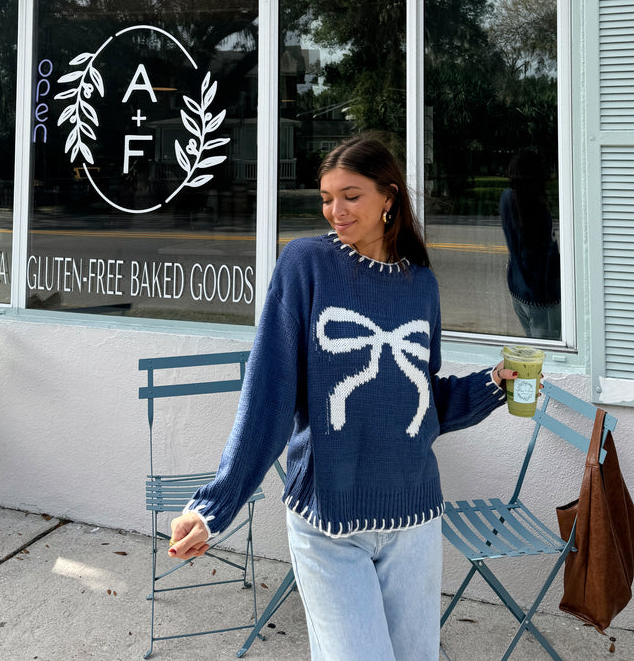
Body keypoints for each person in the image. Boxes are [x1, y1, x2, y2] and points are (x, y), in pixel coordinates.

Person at [169, 135, 521, 661]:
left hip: (414, 516)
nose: (336, 210)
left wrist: (492, 385)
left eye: (350, 195)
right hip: (329, 518)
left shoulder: (420, 284)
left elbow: (420, 402)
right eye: (327, 198)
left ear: (389, 198)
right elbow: (268, 397)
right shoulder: (305, 265)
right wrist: (215, 507)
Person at [499, 149, 561, 341]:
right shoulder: (536, 209)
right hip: (543, 297)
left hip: (518, 290)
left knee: (534, 345)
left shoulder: (507, 198)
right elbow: (541, 256)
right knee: (547, 353)